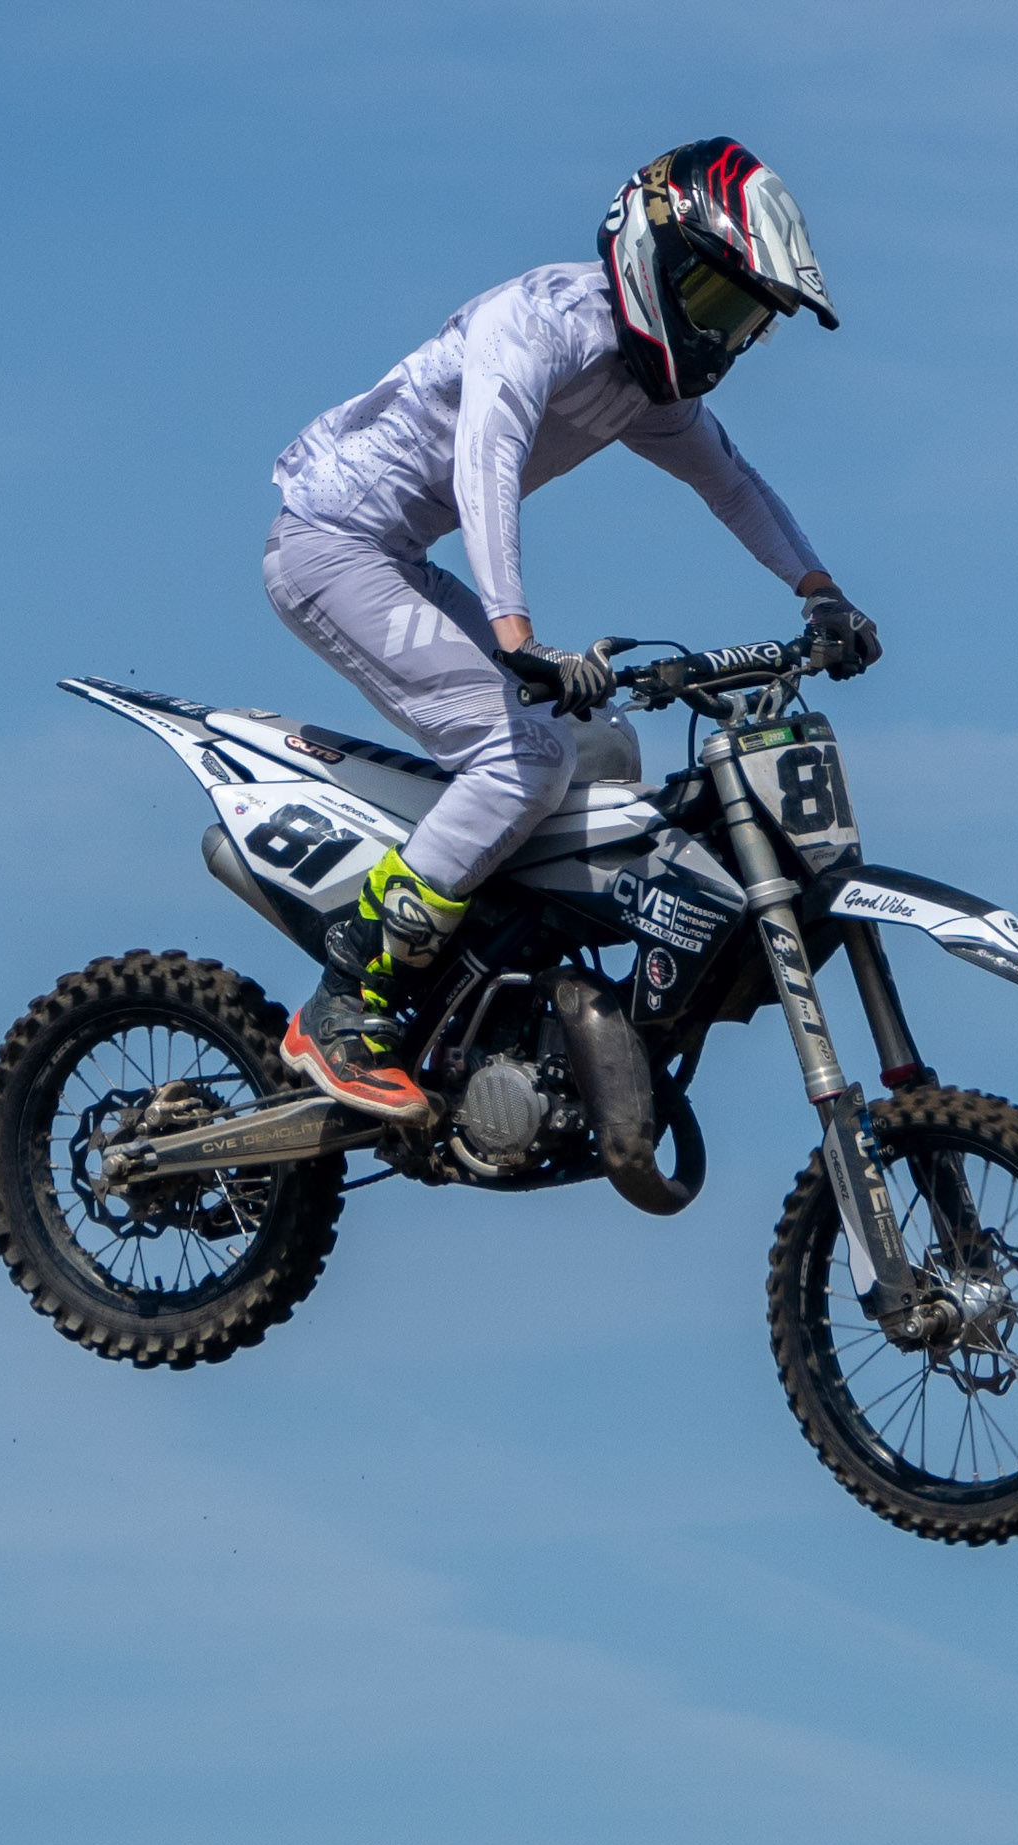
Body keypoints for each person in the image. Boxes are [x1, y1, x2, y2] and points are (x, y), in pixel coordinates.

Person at [265, 136, 881, 1123]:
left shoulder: (642, 388)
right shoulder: (538, 325)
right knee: (520, 757)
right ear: (653, 256)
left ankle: (479, 985)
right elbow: (486, 463)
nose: (724, 341)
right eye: (716, 304)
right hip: (332, 544)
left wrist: (821, 594)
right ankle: (346, 1000)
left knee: (599, 750)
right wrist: (515, 634)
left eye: (746, 323)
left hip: (398, 555)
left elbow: (734, 485)